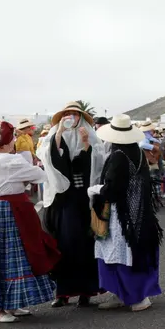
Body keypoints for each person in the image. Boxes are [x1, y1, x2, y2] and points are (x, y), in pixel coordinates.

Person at [0, 121, 59, 322]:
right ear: (9, 141)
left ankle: (9, 304)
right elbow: (40, 175)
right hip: (6, 211)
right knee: (10, 255)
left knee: (4, 256)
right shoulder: (10, 161)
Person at [38, 101, 106, 308]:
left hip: (82, 198)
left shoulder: (91, 138)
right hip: (62, 199)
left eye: (74, 114)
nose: (71, 118)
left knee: (85, 244)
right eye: (67, 114)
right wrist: (57, 135)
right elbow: (52, 162)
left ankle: (86, 291)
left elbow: (95, 165)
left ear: (80, 117)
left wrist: (86, 144)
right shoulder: (53, 138)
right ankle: (62, 292)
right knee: (62, 243)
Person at [91, 115, 163, 312]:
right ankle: (124, 294)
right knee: (131, 254)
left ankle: (136, 296)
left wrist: (96, 190)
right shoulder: (137, 152)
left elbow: (113, 189)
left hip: (122, 215)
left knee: (119, 256)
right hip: (139, 212)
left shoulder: (118, 156)